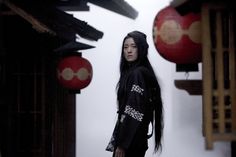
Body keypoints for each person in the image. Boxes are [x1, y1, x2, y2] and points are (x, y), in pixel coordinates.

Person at [106, 31, 164, 157]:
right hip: (136, 138)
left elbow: (134, 110)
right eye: (125, 47)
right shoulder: (137, 73)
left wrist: (122, 144)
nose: (129, 50)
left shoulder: (137, 74)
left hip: (131, 141)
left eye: (134, 46)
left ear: (141, 49)